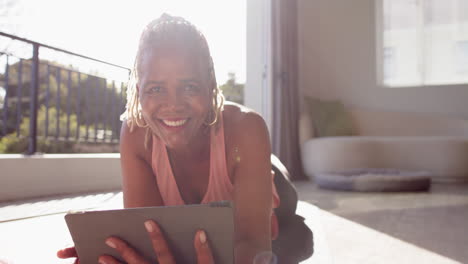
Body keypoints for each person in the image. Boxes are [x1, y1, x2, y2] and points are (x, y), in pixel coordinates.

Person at [58, 14, 311, 264]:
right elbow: (149, 235)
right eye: (155, 89)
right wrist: (116, 252)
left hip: (269, 178)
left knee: (292, 229)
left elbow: (252, 243)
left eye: (189, 86)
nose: (173, 104)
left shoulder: (247, 127)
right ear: (139, 92)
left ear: (211, 86)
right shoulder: (136, 132)